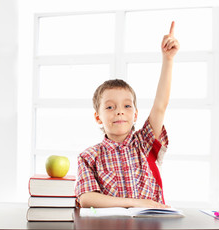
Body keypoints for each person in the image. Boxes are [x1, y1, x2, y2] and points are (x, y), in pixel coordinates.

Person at [75, 21, 179, 208]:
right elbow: (86, 198)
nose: (120, 111)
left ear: (136, 114)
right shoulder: (89, 156)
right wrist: (136, 203)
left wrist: (168, 59)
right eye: (110, 107)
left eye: (127, 106)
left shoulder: (145, 143)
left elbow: (160, 106)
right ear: (98, 117)